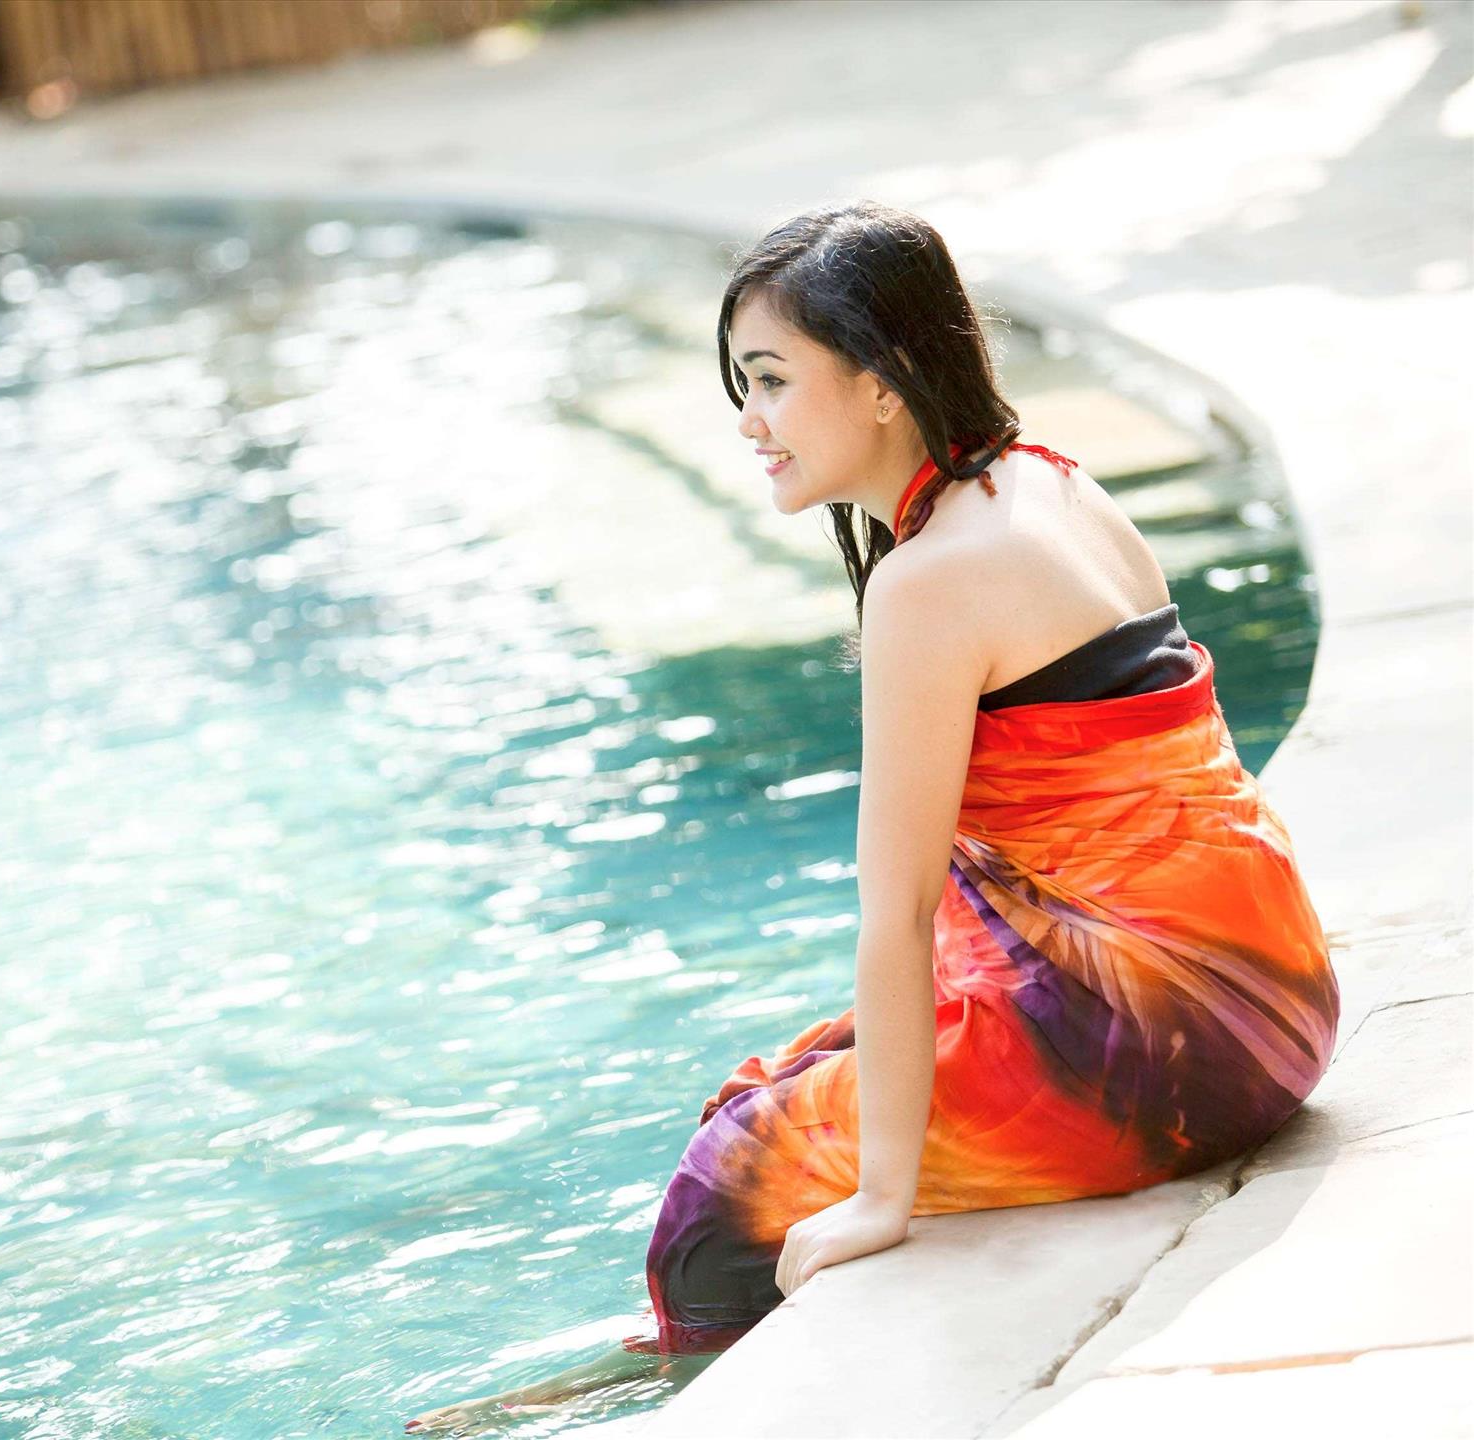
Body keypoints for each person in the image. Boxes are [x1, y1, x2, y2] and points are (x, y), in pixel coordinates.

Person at [404, 200, 1340, 1434]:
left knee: (731, 1179)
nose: (749, 421)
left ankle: (691, 1392)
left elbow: (896, 910)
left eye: (772, 380)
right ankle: (671, 1361)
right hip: (1271, 991)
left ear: (884, 381)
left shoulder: (931, 579)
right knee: (790, 1075)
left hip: (1172, 1058)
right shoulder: (1047, 483)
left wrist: (881, 1199)